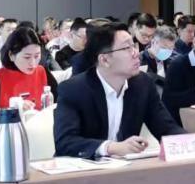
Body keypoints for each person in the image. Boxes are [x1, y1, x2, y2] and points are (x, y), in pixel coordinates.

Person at [53, 22, 184, 159]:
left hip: (125, 167)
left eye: (133, 46)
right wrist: (111, 147)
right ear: (104, 60)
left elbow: (166, 128)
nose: (136, 53)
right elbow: (65, 142)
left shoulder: (143, 84)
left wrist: (192, 143)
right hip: (82, 167)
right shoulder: (73, 90)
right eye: (127, 48)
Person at [0, 26, 53, 113]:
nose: (33, 63)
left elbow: (60, 102)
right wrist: (14, 111)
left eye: (36, 56)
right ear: (11, 55)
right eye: (27, 57)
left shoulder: (42, 72)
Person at [139, 25, 178, 90]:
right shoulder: (139, 60)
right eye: (164, 47)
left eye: (171, 48)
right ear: (153, 42)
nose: (167, 51)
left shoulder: (172, 61)